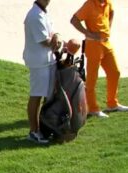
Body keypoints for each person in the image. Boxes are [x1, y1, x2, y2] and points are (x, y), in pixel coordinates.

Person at [71, 0, 128, 118]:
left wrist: (108, 27)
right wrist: (88, 33)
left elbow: (112, 12)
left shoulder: (108, 3)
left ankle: (112, 104)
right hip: (93, 45)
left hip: (106, 44)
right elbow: (74, 20)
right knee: (92, 78)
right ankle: (92, 108)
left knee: (114, 72)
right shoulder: (89, 4)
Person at [23, 0, 62, 144]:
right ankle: (33, 132)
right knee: (36, 96)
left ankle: (45, 128)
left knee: (47, 96)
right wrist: (56, 39)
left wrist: (57, 37)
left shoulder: (43, 13)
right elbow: (46, 41)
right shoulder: (34, 15)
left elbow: (54, 34)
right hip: (39, 63)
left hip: (48, 60)